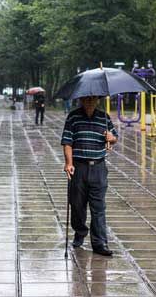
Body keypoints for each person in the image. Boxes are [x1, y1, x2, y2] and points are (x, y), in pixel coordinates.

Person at [61, 96, 118, 256]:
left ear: (97, 101)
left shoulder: (104, 118)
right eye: (86, 100)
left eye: (93, 100)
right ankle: (80, 231)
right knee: (77, 205)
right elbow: (67, 142)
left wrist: (111, 138)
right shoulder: (73, 117)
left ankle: (100, 243)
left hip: (98, 168)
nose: (89, 103)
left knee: (98, 208)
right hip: (78, 167)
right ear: (81, 100)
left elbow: (114, 137)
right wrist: (69, 163)